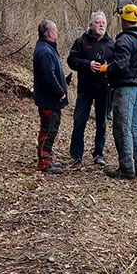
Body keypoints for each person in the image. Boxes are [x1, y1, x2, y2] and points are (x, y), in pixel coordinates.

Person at [104, 3, 137, 180]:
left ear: (123, 21)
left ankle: (126, 168)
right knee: (134, 128)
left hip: (125, 89)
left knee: (122, 128)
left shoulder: (123, 40)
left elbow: (120, 66)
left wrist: (106, 69)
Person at [66, 10, 113, 168]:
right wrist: (88, 64)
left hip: (104, 89)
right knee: (79, 122)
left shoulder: (111, 44)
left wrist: (108, 69)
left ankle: (99, 154)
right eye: (98, 22)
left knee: (102, 123)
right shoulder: (81, 42)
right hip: (85, 89)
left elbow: (117, 66)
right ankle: (76, 155)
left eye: (103, 23)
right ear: (91, 25)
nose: (101, 25)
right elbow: (71, 60)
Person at [33, 19, 68, 173]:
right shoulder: (45, 51)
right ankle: (44, 163)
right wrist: (60, 92)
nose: (57, 33)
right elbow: (48, 76)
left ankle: (47, 159)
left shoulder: (46, 48)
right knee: (48, 130)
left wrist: (64, 82)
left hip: (49, 99)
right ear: (50, 34)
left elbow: (51, 73)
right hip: (49, 100)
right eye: (56, 31)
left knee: (50, 129)